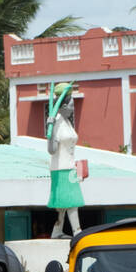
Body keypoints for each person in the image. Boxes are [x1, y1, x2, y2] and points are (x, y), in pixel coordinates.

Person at [46, 82, 83, 239]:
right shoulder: (56, 122)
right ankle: (77, 230)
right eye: (70, 104)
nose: (73, 108)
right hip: (61, 168)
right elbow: (51, 149)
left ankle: (57, 230)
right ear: (62, 106)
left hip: (69, 165)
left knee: (62, 203)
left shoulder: (66, 122)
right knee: (72, 199)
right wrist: (50, 131)